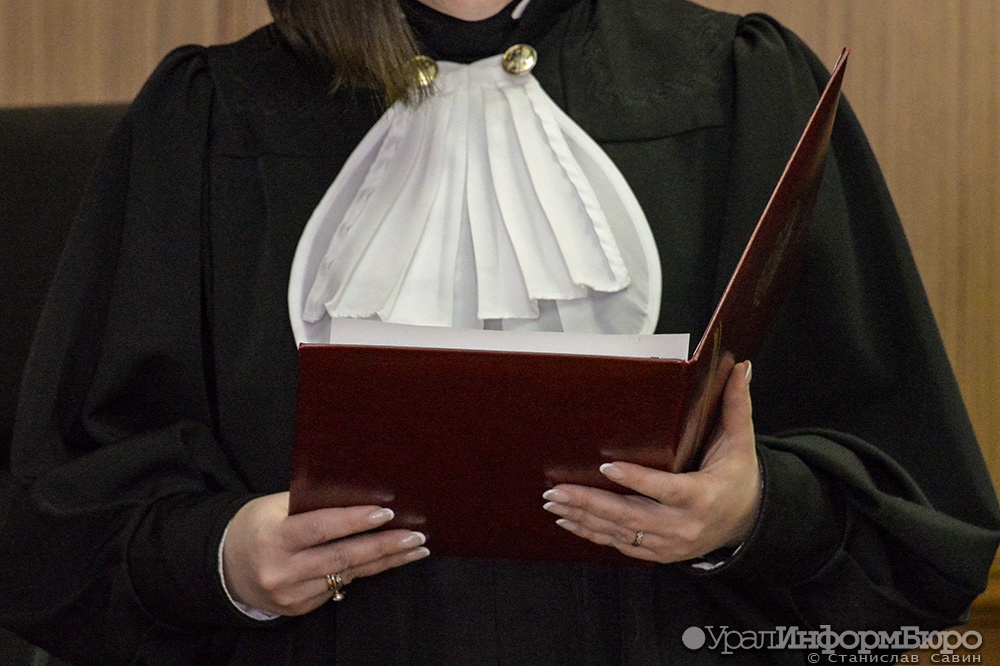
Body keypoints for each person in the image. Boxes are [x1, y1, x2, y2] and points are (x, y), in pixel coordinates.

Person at [1, 0, 998, 663]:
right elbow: (64, 520)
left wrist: (752, 512)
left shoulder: (740, 89)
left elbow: (917, 509)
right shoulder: (210, 120)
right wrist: (223, 559)